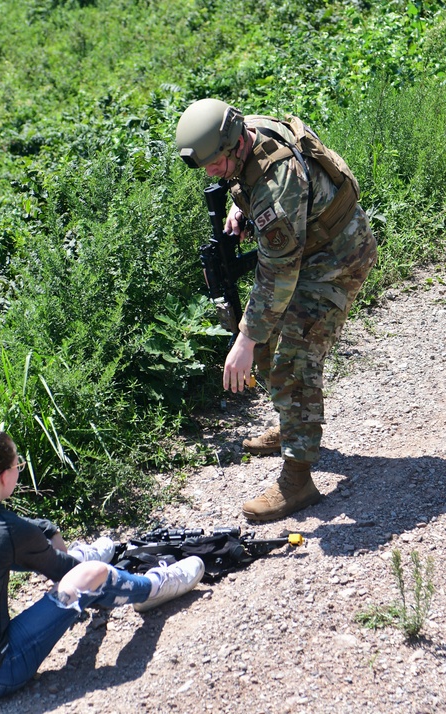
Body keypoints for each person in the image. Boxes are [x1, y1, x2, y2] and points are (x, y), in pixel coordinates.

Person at [175, 98, 377, 522]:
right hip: (308, 248)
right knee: (263, 343)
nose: (210, 172)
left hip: (337, 257)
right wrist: (240, 204)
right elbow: (261, 190)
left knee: (293, 360)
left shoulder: (275, 182)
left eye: (215, 164)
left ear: (232, 145)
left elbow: (279, 275)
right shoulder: (246, 134)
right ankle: (292, 427)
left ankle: (298, 480)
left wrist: (245, 340)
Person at [0, 429, 205, 701]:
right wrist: (66, 556)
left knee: (2, 558)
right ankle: (158, 585)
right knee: (92, 574)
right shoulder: (4, 531)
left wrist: (45, 529)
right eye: (17, 466)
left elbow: (1, 537)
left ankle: (87, 556)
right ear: (3, 477)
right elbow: (65, 573)